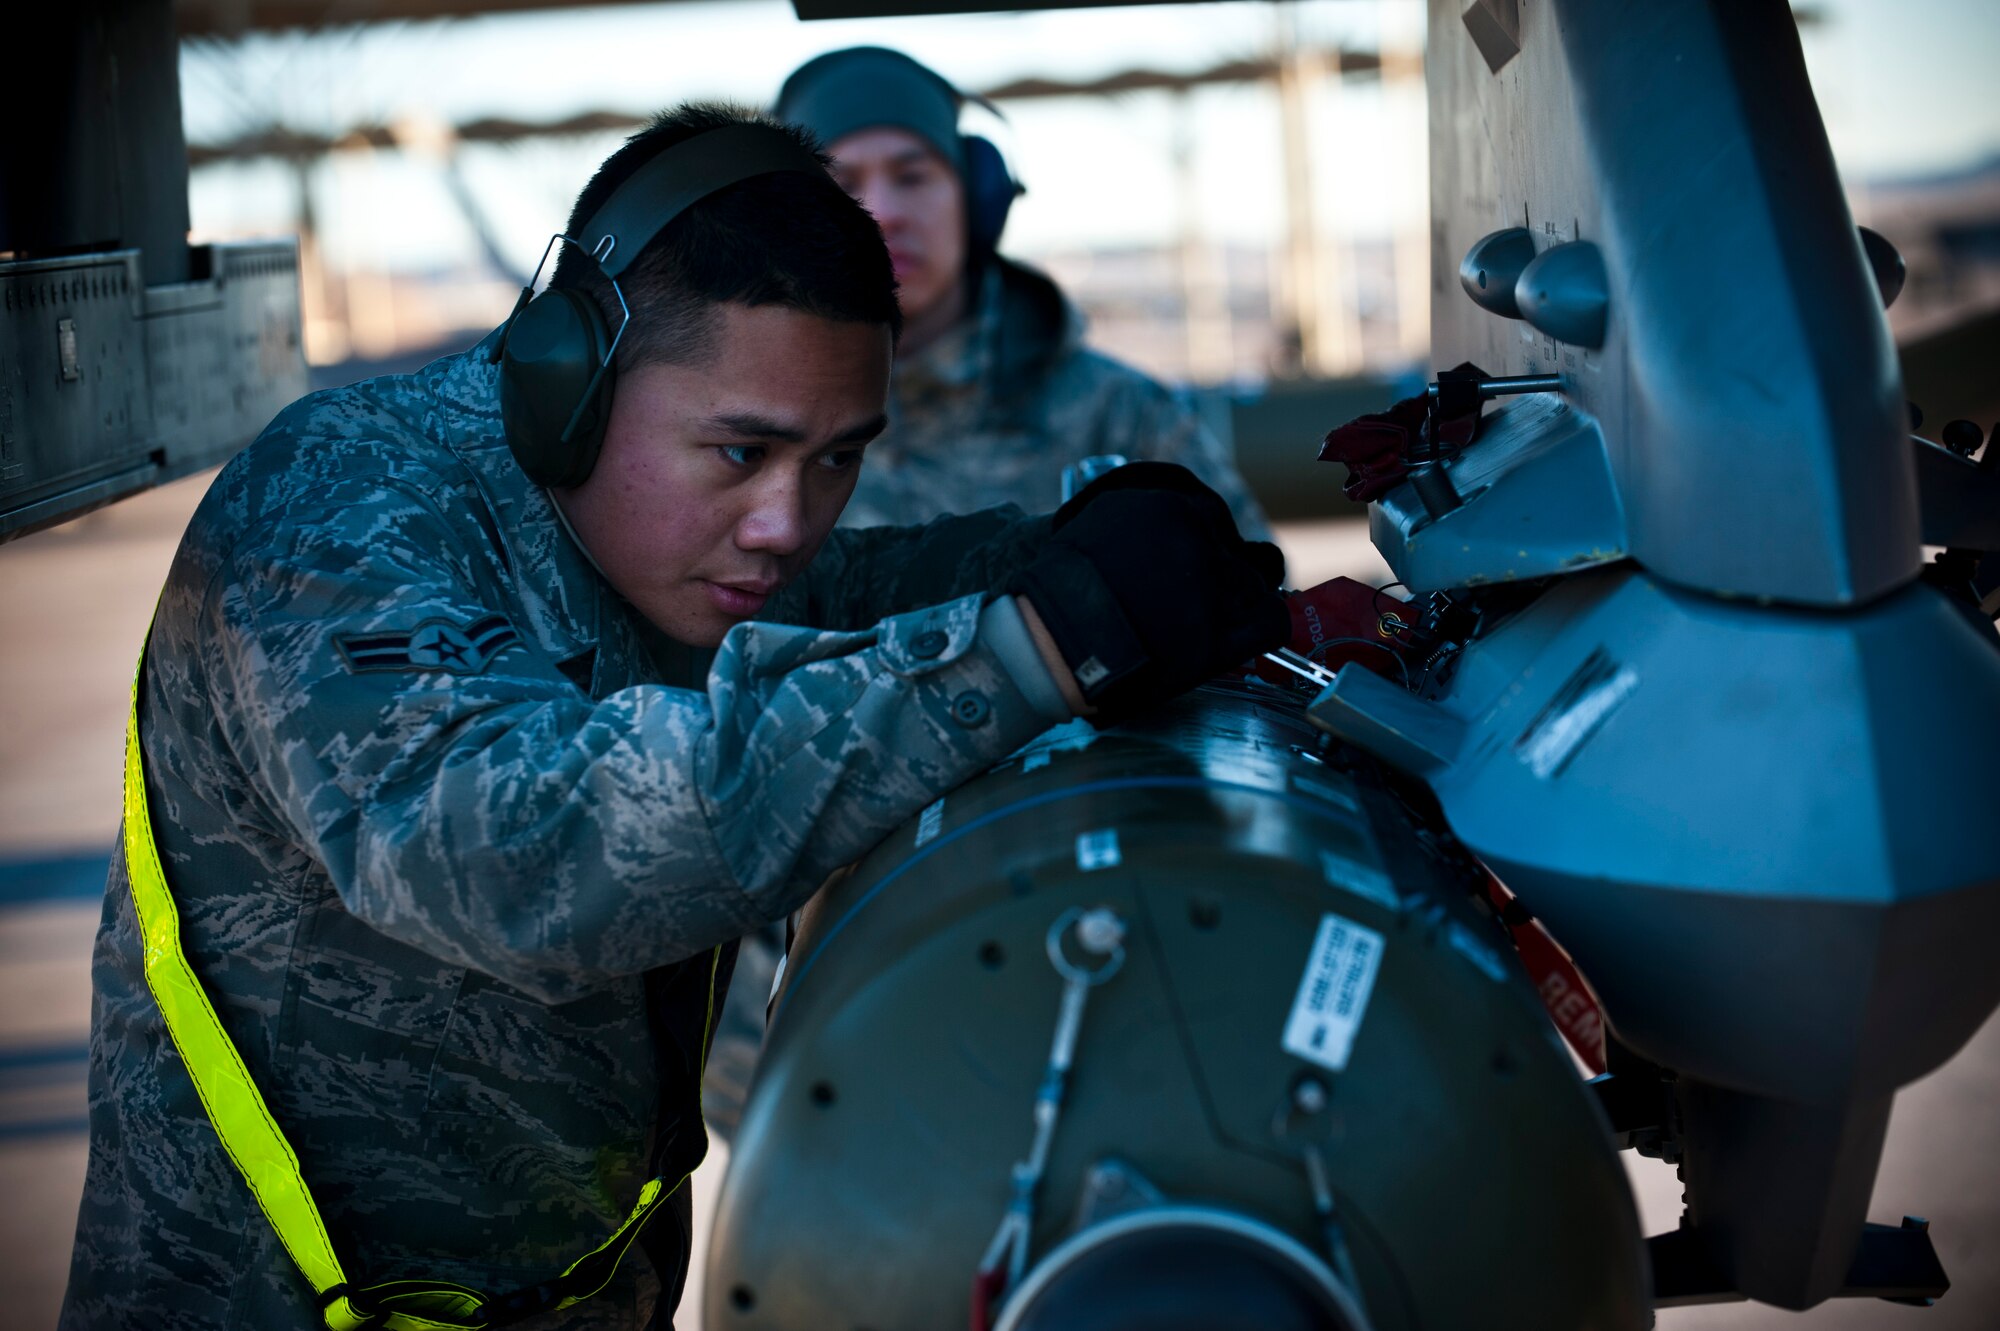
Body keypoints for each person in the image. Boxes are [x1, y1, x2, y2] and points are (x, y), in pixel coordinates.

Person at [59, 104, 1286, 1330]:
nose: (785, 522)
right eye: (740, 451)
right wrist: (1028, 646)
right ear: (570, 379)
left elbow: (846, 596)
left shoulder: (669, 541)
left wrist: (1069, 555)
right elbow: (508, 850)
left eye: (836, 459)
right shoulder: (337, 505)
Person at [771, 45, 1272, 540]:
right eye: (843, 182)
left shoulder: (1118, 416)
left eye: (913, 176)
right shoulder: (746, 423)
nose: (883, 212)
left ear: (979, 196)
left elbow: (1258, 603)